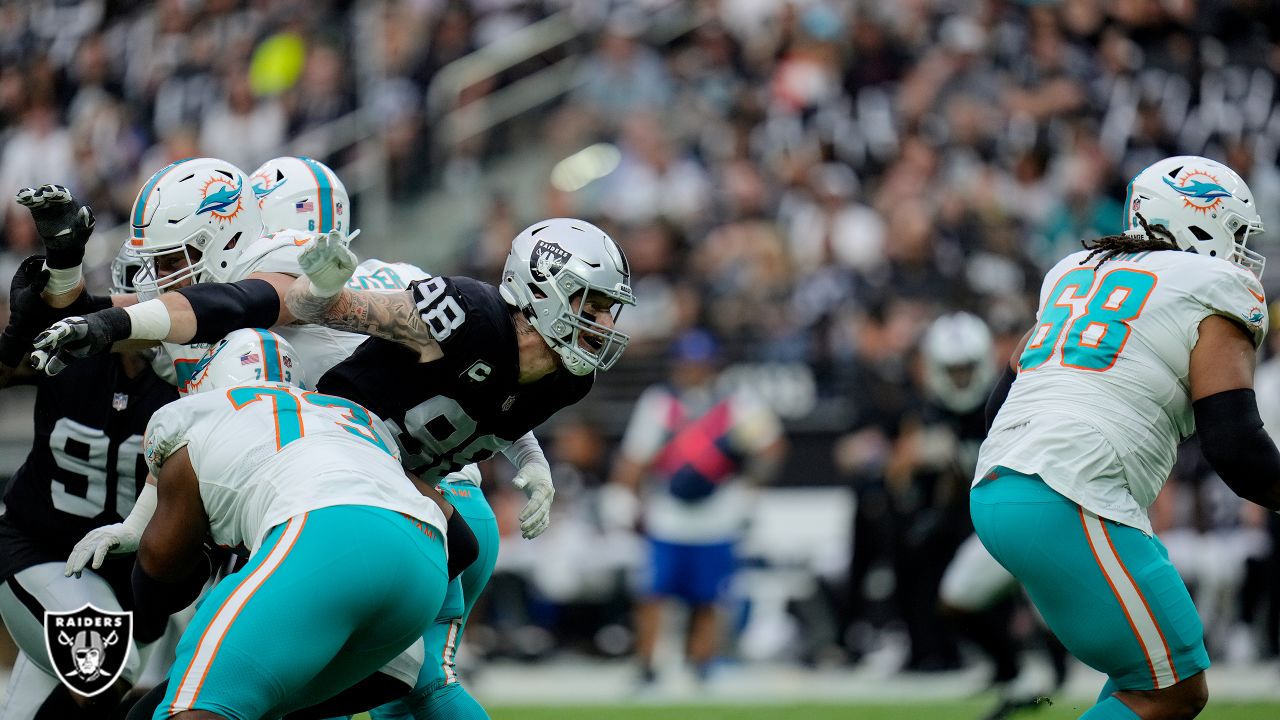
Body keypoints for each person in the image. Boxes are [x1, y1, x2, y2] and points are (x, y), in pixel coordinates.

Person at [973, 155, 1280, 720]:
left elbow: (1000, 403)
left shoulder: (1074, 271)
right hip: (1069, 491)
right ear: (1200, 221)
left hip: (999, 486)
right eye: (1234, 231)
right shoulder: (1217, 287)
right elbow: (1236, 445)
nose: (1240, 251)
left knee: (1140, 678)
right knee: (1173, 690)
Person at [125, 328, 455, 720]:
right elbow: (463, 540)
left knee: (193, 709)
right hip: (423, 567)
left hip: (324, 535)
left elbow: (159, 574)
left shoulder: (193, 415)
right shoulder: (348, 414)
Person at [0, 184, 178, 720]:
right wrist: (17, 334)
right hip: (42, 547)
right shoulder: (75, 342)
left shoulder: (195, 377)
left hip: (139, 578)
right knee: (96, 666)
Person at [608, 328, 785, 685]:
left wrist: (749, 486)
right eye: (688, 365)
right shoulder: (660, 402)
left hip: (717, 513)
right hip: (668, 514)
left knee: (709, 596)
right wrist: (627, 499)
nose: (693, 371)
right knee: (653, 593)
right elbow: (633, 459)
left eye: (700, 365)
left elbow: (771, 448)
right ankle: (647, 663)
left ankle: (702, 662)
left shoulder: (738, 402)